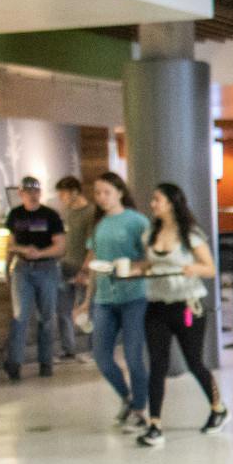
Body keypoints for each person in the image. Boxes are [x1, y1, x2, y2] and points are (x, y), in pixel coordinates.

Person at [131, 183, 229, 449]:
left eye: (157, 199)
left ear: (172, 203)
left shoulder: (191, 235)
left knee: (194, 361)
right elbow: (150, 263)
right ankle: (155, 424)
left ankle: (218, 407)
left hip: (187, 306)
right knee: (158, 364)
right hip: (157, 306)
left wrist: (192, 268)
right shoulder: (150, 233)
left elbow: (210, 269)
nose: (153, 204)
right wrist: (135, 270)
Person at [85, 172, 151, 432]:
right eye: (98, 193)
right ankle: (126, 397)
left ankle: (140, 408)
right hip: (104, 298)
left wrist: (132, 269)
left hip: (134, 297)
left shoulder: (136, 221)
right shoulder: (99, 224)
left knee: (134, 356)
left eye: (106, 192)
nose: (101, 198)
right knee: (101, 356)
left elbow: (150, 257)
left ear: (120, 192)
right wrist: (86, 300)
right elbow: (94, 264)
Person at [1, 175, 66, 381]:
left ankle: (45, 362)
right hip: (22, 269)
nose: (33, 195)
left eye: (36, 191)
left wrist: (41, 253)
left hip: (46, 268)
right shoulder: (15, 215)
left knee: (46, 317)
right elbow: (10, 244)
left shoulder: (50, 216)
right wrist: (7, 267)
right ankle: (14, 363)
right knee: (20, 317)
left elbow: (60, 246)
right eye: (28, 191)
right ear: (20, 194)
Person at [54, 176, 97, 361]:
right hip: (64, 266)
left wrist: (85, 269)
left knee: (85, 310)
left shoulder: (91, 212)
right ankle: (68, 349)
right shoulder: (66, 212)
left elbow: (92, 245)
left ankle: (94, 350)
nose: (61, 197)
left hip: (83, 268)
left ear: (75, 191)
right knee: (63, 310)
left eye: (63, 193)